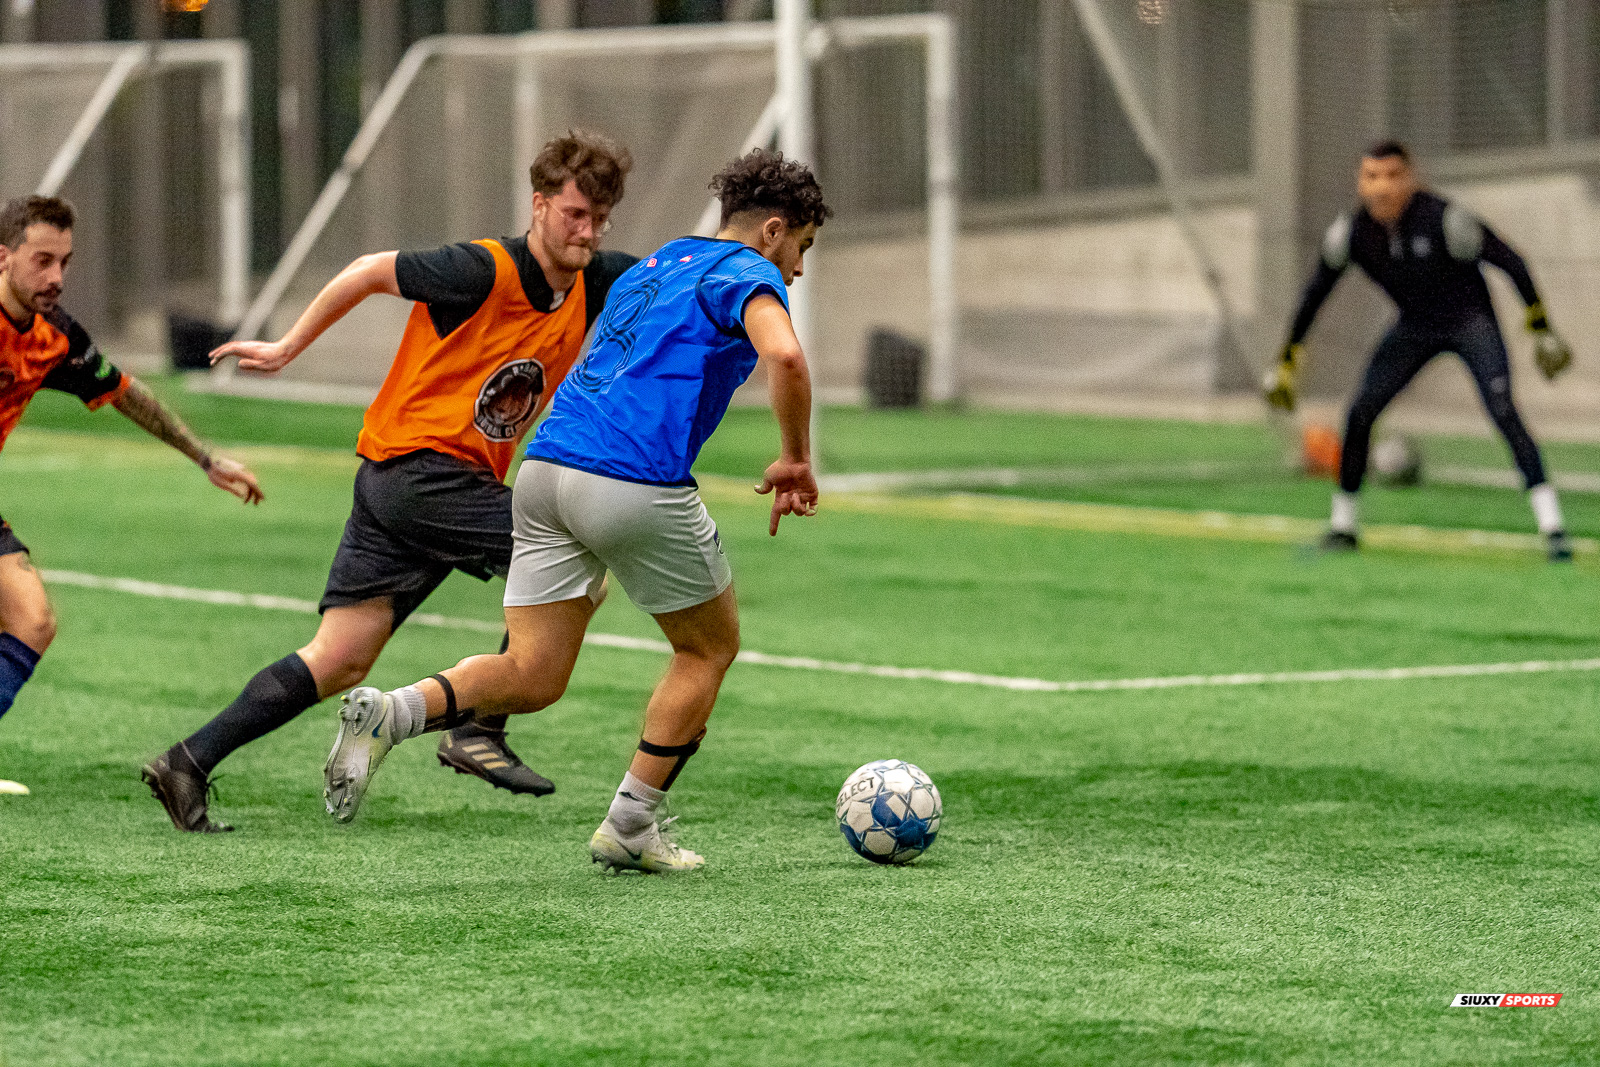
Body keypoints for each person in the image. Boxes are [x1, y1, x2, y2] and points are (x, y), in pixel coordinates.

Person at [319, 148, 827, 874]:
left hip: (547, 468)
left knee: (533, 670)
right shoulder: (748, 272)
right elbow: (786, 357)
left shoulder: (656, 264)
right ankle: (630, 824)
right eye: (802, 250)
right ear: (774, 231)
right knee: (706, 649)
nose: (798, 270)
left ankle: (393, 711)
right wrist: (795, 458)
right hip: (630, 479)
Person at [142, 131, 638, 832]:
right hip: (419, 471)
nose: (587, 232)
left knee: (339, 656)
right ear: (539, 205)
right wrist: (287, 346)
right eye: (574, 215)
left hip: (404, 485)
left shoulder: (596, 282)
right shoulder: (480, 269)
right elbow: (371, 269)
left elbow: (674, 275)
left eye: (599, 219)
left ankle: (187, 760)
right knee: (574, 553)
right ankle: (477, 730)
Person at [0, 195, 263, 796]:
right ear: (4, 257)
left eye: (64, 262)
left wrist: (204, 457)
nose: (55, 277)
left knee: (30, 620)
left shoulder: (54, 336)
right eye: (42, 261)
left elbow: (123, 390)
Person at [1264, 139, 1575, 559]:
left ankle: (1552, 527)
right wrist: (1289, 356)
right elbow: (1316, 292)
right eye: (1371, 177)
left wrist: (1540, 326)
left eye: (1392, 176)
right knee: (1360, 413)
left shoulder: (1446, 220)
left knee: (1503, 411)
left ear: (1410, 178)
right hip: (1415, 327)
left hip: (1470, 322)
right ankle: (1343, 527)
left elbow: (1511, 261)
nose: (1382, 188)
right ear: (1359, 183)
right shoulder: (1352, 233)